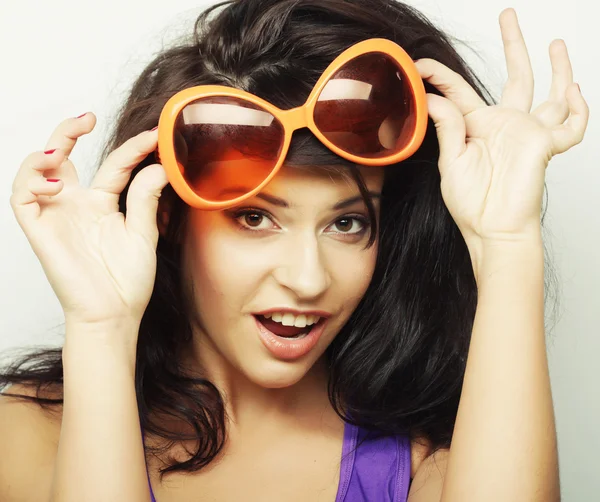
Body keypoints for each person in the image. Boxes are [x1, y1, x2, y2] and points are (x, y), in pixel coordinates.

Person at [0, 0, 588, 500]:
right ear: (169, 217)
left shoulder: (425, 466)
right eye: (255, 218)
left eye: (349, 224)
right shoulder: (24, 438)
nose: (308, 280)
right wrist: (100, 327)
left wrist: (506, 241)